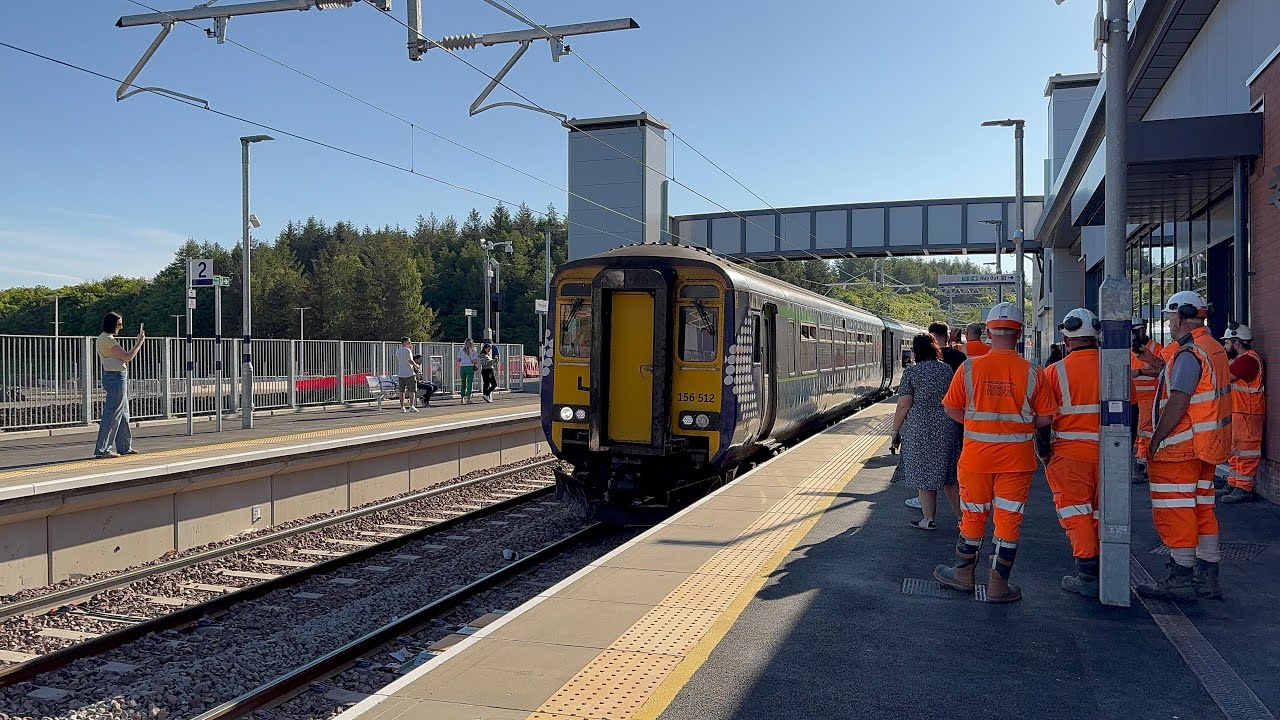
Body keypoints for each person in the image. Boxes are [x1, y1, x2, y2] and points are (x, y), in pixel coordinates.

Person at [934, 302, 1055, 603]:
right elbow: (1046, 418)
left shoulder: (970, 368)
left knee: (973, 516)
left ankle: (963, 574)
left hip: (976, 458)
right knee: (1007, 521)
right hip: (1017, 461)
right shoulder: (1033, 372)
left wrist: (977, 422)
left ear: (988, 333)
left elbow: (950, 407)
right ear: (1020, 333)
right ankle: (998, 586)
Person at [1137, 290, 1230, 601]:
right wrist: (1142, 353)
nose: (1168, 324)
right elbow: (1169, 371)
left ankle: (1180, 576)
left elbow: (1178, 399)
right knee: (1202, 507)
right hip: (1205, 445)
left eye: (1169, 318)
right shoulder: (1212, 347)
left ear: (1178, 318)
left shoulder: (1190, 354)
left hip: (1181, 447)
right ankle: (1208, 576)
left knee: (1175, 509)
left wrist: (1156, 438)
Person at [1040, 309, 1135, 597]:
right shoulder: (1116, 367)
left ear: (1066, 340)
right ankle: (1105, 566)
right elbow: (1132, 409)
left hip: (1068, 455)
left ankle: (1088, 572)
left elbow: (1042, 420)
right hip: (1110, 453)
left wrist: (1045, 454)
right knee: (1100, 511)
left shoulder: (1054, 373)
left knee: (1075, 511)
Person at [890, 333, 963, 530]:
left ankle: (928, 519)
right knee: (950, 476)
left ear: (916, 351)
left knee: (924, 476)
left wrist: (895, 430)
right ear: (934, 348)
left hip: (919, 427)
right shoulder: (947, 370)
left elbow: (904, 405)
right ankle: (962, 519)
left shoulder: (911, 373)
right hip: (946, 425)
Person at [1220, 323, 1264, 504]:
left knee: (1246, 451)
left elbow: (1222, 377)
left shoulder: (1247, 361)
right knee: (1236, 450)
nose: (1224, 347)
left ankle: (1244, 488)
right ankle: (1234, 483)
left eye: (1227, 343)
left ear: (1236, 343)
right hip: (1240, 412)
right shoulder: (1241, 359)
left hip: (1248, 413)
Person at [93, 312, 145, 458]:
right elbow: (127, 357)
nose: (121, 327)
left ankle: (124, 446)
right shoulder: (108, 340)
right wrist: (139, 342)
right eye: (119, 324)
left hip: (114, 376)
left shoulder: (103, 338)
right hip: (116, 377)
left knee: (123, 413)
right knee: (113, 413)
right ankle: (103, 449)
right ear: (112, 324)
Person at [1132, 318, 1165, 479]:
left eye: (1138, 330)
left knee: (1145, 430)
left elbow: (1163, 370)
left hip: (1149, 397)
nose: (1135, 334)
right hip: (1133, 397)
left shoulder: (1155, 348)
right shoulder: (1130, 349)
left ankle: (1142, 461)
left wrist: (1140, 373)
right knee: (1139, 430)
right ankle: (1141, 460)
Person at [395, 336, 420, 413]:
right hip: (409, 373)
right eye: (409, 342)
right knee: (412, 390)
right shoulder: (407, 350)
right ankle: (412, 406)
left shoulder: (398, 351)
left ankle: (402, 407)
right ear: (405, 342)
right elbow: (410, 360)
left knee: (401, 391)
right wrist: (416, 365)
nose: (410, 343)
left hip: (401, 373)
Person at [457, 339, 478, 404]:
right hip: (470, 367)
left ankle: (462, 398)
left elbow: (458, 359)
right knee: (469, 383)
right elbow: (475, 361)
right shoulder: (474, 350)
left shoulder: (461, 350)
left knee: (463, 382)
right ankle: (468, 399)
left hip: (462, 367)